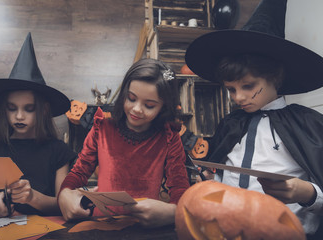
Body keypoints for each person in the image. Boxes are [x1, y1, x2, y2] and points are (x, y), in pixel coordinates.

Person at [185, 0, 323, 238]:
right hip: (225, 228)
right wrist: (212, 176)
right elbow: (221, 164)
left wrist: (307, 192)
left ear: (276, 78)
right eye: (231, 89)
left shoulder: (309, 124)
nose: (239, 97)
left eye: (248, 86)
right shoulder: (231, 123)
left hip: (282, 230)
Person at [58, 58, 190, 227]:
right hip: (101, 224)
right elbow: (78, 173)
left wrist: (173, 212)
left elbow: (179, 186)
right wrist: (64, 194)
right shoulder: (102, 128)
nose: (136, 109)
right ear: (124, 93)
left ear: (163, 107)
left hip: (145, 227)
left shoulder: (169, 137)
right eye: (131, 98)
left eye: (149, 105)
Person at [0, 33, 77, 217]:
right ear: (4, 110)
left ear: (43, 110)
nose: (19, 116)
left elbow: (63, 204)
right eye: (12, 108)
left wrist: (33, 197)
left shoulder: (58, 151)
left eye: (29, 109)